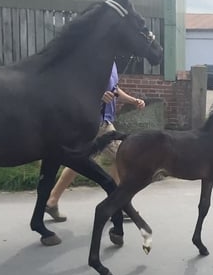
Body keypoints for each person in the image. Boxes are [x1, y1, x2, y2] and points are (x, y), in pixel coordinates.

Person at [45, 62, 145, 222]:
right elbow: (76, 88)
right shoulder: (91, 60)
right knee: (121, 156)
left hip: (100, 121)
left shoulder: (112, 63)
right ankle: (118, 204)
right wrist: (99, 96)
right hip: (93, 121)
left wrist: (133, 100)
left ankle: (52, 201)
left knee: (80, 160)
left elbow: (115, 90)